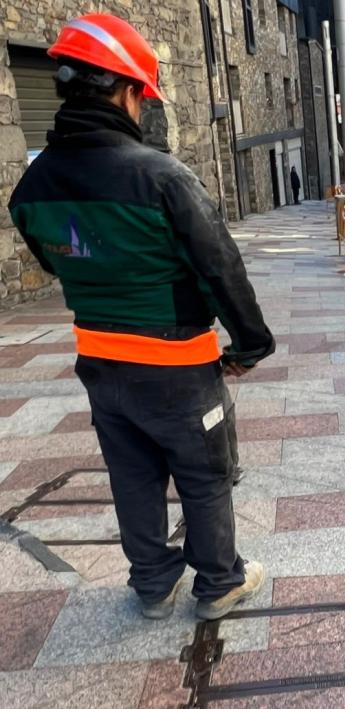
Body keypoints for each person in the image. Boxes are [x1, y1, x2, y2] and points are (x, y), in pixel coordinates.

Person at [8, 14, 274, 618]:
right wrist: (251, 345)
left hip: (100, 361)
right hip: (177, 362)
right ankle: (218, 583)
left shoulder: (32, 185)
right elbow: (221, 270)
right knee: (205, 475)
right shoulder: (161, 177)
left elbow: (53, 267)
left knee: (133, 475)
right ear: (128, 91)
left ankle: (153, 586)